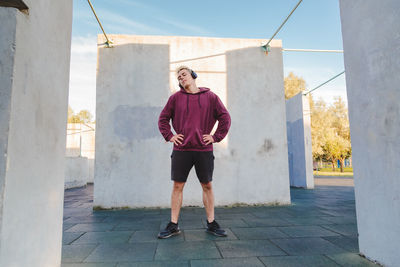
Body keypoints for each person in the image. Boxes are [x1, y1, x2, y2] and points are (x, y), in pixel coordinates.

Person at [157, 65, 231, 239]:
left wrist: (216, 137)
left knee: (207, 185)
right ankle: (173, 225)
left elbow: (225, 117)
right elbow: (163, 119)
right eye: (179, 77)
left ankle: (211, 223)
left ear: (193, 75)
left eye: (184, 74)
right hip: (182, 149)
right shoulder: (175, 98)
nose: (181, 78)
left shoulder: (211, 97)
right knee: (177, 186)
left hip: (203, 150)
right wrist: (169, 135)